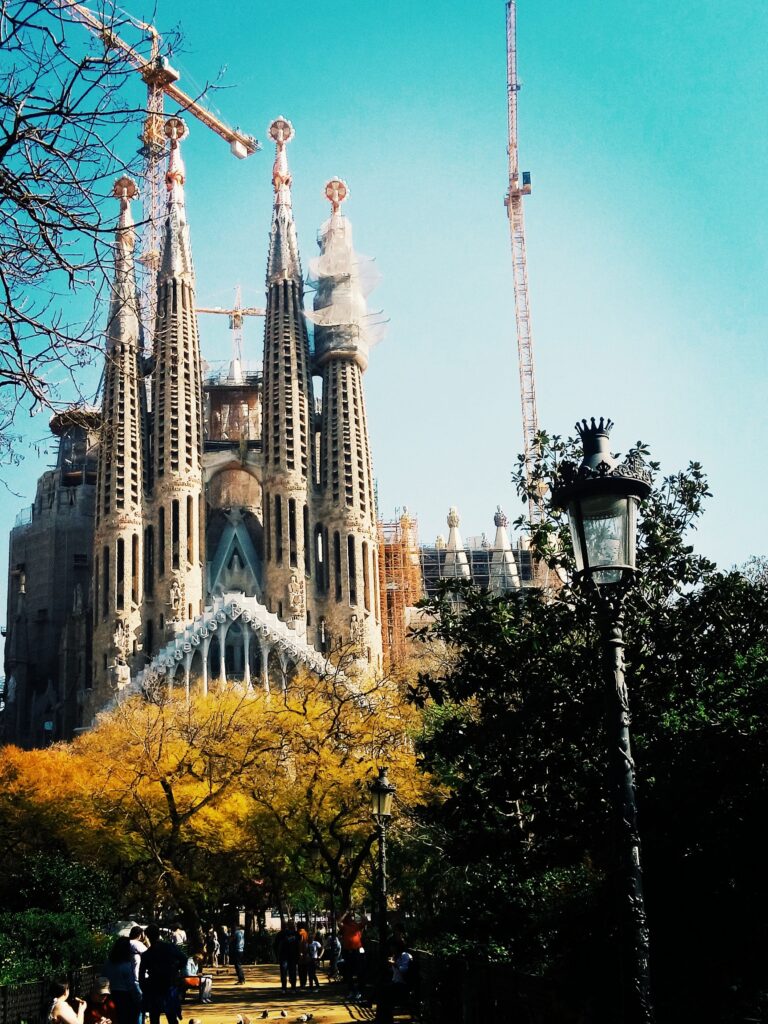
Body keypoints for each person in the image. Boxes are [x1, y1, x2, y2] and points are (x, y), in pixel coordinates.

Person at [140, 924, 187, 1024]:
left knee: (155, 1017)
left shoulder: (147, 954)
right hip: (168, 985)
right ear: (158, 934)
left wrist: (144, 988)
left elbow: (141, 975)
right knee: (171, 1017)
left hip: (155, 987)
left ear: (147, 936)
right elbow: (184, 959)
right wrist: (175, 969)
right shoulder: (170, 948)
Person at [102, 937, 143, 1024]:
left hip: (110, 995)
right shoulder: (126, 965)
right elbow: (131, 985)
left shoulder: (108, 963)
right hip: (124, 996)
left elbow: (103, 977)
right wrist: (138, 999)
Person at [339, 912, 366, 1000]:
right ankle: (351, 991)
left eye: (353, 916)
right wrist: (345, 913)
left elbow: (365, 921)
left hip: (357, 951)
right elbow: (339, 922)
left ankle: (359, 991)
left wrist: (359, 912)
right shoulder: (345, 927)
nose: (352, 918)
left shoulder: (357, 926)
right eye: (350, 917)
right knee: (349, 972)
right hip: (348, 951)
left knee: (359, 971)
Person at [275, 920, 299, 994]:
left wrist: (276, 955)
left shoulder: (281, 934)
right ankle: (292, 988)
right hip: (289, 956)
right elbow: (298, 945)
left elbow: (275, 945)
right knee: (291, 972)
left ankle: (285, 988)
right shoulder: (295, 934)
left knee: (285, 972)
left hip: (285, 956)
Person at [296, 922, 309, 989]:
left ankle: (302, 983)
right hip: (306, 953)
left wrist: (300, 952)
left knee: (301, 969)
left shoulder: (300, 932)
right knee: (305, 969)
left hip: (301, 953)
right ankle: (304, 982)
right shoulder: (306, 932)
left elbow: (300, 942)